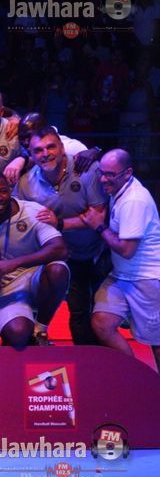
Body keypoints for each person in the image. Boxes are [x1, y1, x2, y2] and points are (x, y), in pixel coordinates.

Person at [16, 127, 107, 345]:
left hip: (101, 252)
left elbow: (98, 215)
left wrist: (59, 223)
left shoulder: (86, 169)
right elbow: (20, 221)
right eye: (38, 150)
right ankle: (86, 361)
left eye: (51, 147)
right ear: (31, 155)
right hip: (67, 254)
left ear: (62, 148)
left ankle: (113, 364)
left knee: (105, 314)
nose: (45, 154)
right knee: (78, 312)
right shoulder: (26, 183)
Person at [0, 170, 69, 349]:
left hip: (34, 278)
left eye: (3, 191)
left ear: (10, 190)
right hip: (4, 287)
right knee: (18, 334)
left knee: (58, 270)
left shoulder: (32, 212)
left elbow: (60, 249)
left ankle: (40, 329)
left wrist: (16, 263)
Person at [81, 149, 160, 370]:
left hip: (147, 278)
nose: (103, 179)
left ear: (128, 173)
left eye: (110, 175)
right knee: (102, 323)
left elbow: (126, 250)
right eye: (101, 173)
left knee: (157, 342)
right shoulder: (118, 189)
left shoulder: (134, 200)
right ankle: (136, 376)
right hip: (122, 276)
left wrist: (99, 226)